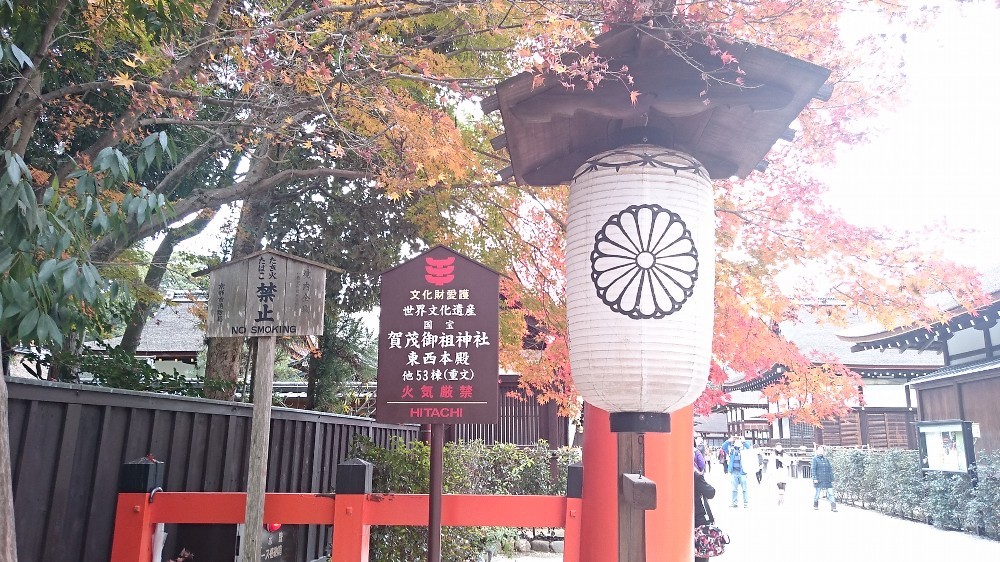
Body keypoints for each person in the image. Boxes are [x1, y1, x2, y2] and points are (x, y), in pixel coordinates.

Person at [721, 435, 750, 507]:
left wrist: (744, 441)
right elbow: (723, 447)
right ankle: (734, 503)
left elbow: (749, 447)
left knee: (744, 489)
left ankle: (745, 503)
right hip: (734, 471)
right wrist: (729, 440)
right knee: (734, 489)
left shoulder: (744, 450)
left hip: (742, 472)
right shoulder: (731, 450)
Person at [694, 470, 716, 562]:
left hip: (677, 522)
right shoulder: (694, 475)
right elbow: (710, 492)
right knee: (701, 554)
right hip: (698, 521)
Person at [810, 445, 837, 512]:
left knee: (831, 493)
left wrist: (832, 479)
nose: (821, 451)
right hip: (818, 479)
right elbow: (813, 469)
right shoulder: (815, 459)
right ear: (817, 451)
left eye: (822, 450)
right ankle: (815, 505)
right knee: (817, 493)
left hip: (827, 479)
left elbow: (830, 469)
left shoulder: (826, 459)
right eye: (819, 450)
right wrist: (815, 478)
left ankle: (833, 507)